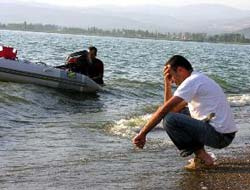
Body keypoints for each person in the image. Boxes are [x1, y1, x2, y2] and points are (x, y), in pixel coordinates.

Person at [132, 55, 238, 170]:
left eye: (171, 76)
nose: (172, 80)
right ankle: (202, 156)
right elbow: (173, 109)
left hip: (220, 136)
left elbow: (165, 110)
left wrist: (143, 133)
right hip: (223, 134)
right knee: (178, 113)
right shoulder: (197, 79)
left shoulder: (192, 81)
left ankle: (203, 157)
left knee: (170, 119)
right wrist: (167, 84)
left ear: (180, 70)